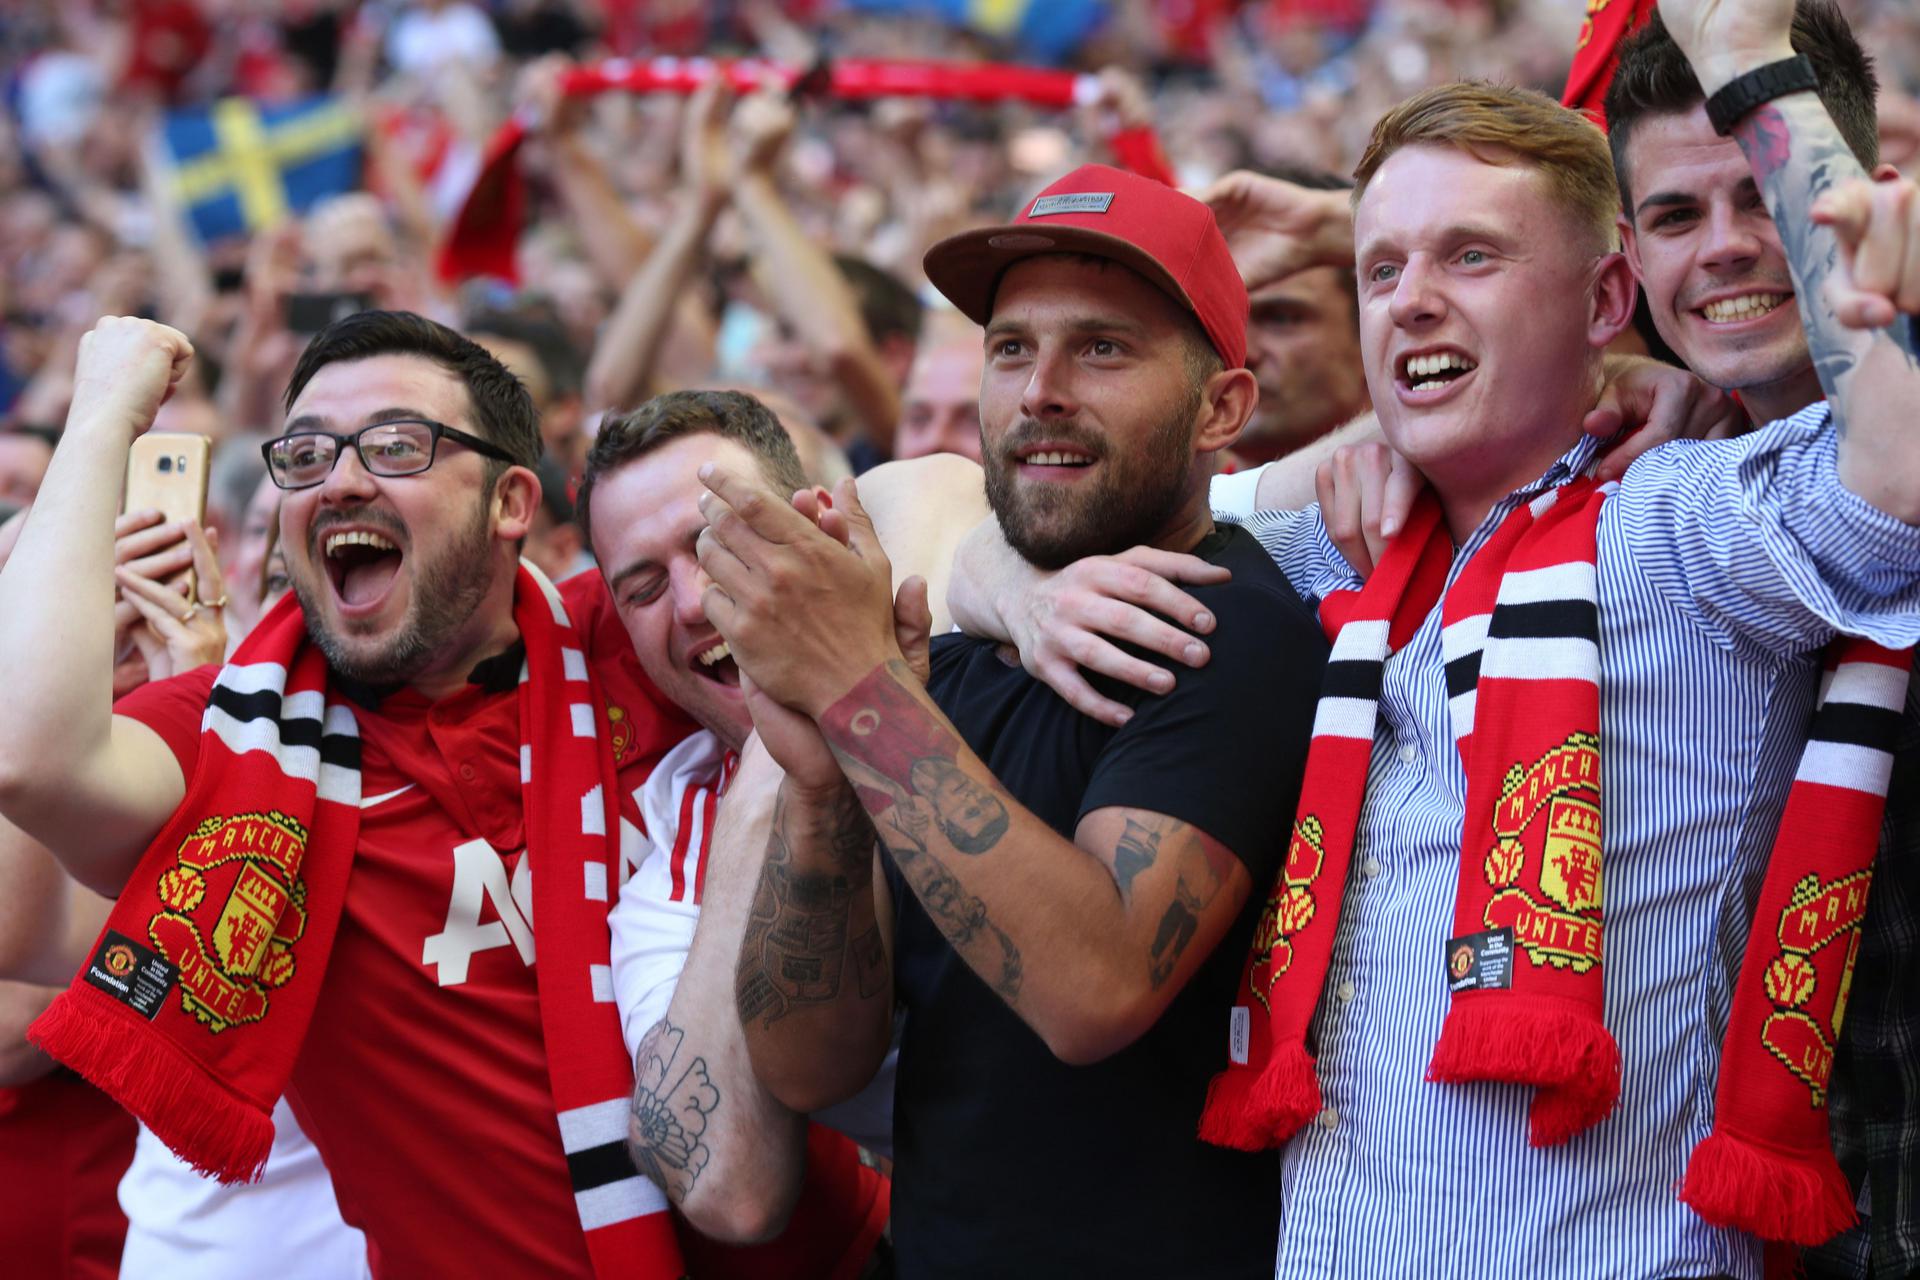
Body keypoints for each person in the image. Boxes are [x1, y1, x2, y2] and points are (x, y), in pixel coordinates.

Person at [951, 50, 1920, 1280]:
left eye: (1471, 256)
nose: (1410, 301)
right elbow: (974, 503)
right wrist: (1020, 589)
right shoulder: (1326, 542)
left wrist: (1754, 66)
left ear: (1606, 296)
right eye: (1382, 268)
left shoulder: (1682, 521)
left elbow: (1900, 468)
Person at [704, 164, 1328, 1278]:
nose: (1040, 389)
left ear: (1222, 408)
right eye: (1009, 348)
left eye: (1103, 348)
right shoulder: (940, 662)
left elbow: (1094, 992)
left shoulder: (1232, 631)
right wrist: (817, 790)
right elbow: (812, 1062)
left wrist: (861, 695)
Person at [0, 310, 702, 1279]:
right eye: (307, 453)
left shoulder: (636, 626)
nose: (341, 478)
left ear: (510, 501)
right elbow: (30, 759)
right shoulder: (236, 741)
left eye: (397, 444)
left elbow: (915, 506)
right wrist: (101, 412)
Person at [1601, 7, 1920, 1275]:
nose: (1728, 247)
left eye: (1759, 194)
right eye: (1678, 217)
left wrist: (1751, 58)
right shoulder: (1650, 483)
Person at [577, 388, 982, 1271]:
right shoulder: (674, 863)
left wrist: (834, 675)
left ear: (816, 518)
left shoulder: (951, 611)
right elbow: (730, 1186)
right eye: (642, 587)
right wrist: (778, 771)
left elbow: (934, 486)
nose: (691, 601)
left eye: (716, 540)